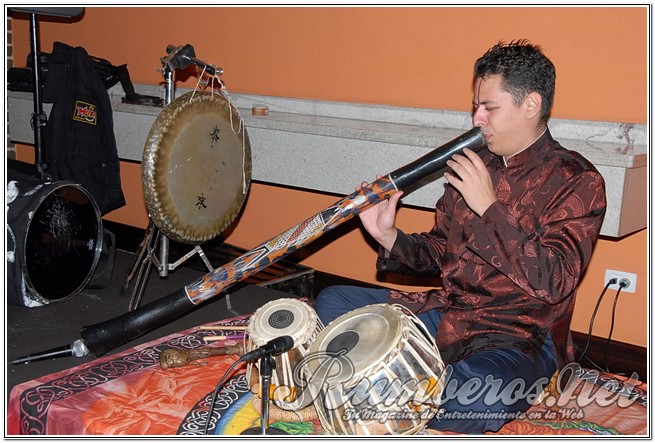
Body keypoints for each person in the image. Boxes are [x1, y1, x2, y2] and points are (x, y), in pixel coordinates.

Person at [314, 39, 607, 434]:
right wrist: (388, 235)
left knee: (486, 396)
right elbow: (440, 252)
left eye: (489, 107)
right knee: (334, 301)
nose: (476, 119)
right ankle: (400, 386)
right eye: (475, 106)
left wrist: (490, 209)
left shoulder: (577, 180)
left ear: (531, 105)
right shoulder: (475, 164)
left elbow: (554, 280)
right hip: (450, 315)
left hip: (517, 336)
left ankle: (386, 387)